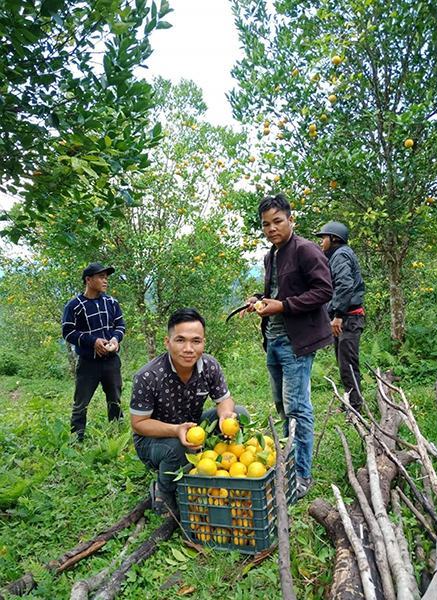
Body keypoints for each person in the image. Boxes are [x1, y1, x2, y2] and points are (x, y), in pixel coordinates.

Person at [241, 194, 333, 499]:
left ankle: (302, 475)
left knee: (297, 408)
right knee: (282, 405)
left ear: (291, 220)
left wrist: (282, 306)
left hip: (297, 341)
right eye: (266, 224)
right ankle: (288, 462)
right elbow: (277, 291)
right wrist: (257, 299)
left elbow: (323, 290)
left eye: (278, 221)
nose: (271, 228)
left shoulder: (306, 250)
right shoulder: (272, 255)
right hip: (274, 341)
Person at [130, 308, 247, 516]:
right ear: (167, 342)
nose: (188, 349)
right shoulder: (148, 376)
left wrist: (225, 415)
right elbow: (139, 423)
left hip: (192, 426)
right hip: (153, 440)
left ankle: (218, 466)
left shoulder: (209, 366)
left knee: (239, 413)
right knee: (175, 447)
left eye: (196, 341)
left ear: (203, 342)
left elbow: (224, 400)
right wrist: (176, 430)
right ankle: (163, 490)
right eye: (180, 340)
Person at [62, 262, 125, 442]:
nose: (105, 281)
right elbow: (68, 332)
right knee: (81, 402)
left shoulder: (112, 303)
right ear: (88, 280)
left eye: (106, 277)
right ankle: (77, 438)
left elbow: (120, 325)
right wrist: (93, 341)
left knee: (115, 398)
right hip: (88, 362)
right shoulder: (74, 306)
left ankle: (117, 435)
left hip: (111, 361)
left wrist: (115, 340)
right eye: (101, 277)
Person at [315, 221, 365, 412]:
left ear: (334, 238)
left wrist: (338, 315)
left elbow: (345, 285)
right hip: (347, 317)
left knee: (348, 364)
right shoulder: (339, 255)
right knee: (345, 362)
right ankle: (352, 402)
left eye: (323, 238)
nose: (321, 242)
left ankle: (355, 407)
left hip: (348, 318)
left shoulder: (340, 255)